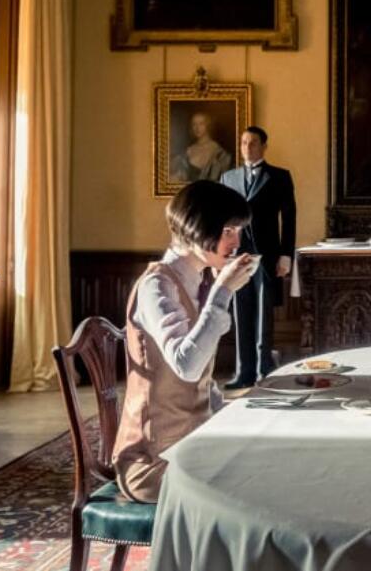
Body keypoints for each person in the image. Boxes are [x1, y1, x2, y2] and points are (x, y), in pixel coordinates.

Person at [111, 180, 260, 503]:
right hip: (154, 461)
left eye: (238, 231)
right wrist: (222, 293)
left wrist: (240, 411)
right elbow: (187, 367)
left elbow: (200, 385)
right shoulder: (156, 286)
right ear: (196, 229)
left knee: (273, 454)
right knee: (260, 478)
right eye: (228, 231)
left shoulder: (197, 280)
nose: (236, 242)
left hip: (192, 444)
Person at [219, 126, 297, 388]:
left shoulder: (279, 177)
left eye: (253, 143)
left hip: (267, 256)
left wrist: (286, 256)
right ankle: (244, 373)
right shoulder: (228, 178)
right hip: (238, 257)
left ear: (264, 146)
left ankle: (264, 372)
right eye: (243, 143)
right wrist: (223, 255)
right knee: (241, 314)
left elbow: (289, 219)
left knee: (264, 315)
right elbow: (222, 221)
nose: (247, 148)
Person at [170, 111, 232, 184]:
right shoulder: (188, 151)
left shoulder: (219, 152)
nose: (197, 128)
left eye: (201, 124)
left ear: (208, 125)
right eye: (194, 124)